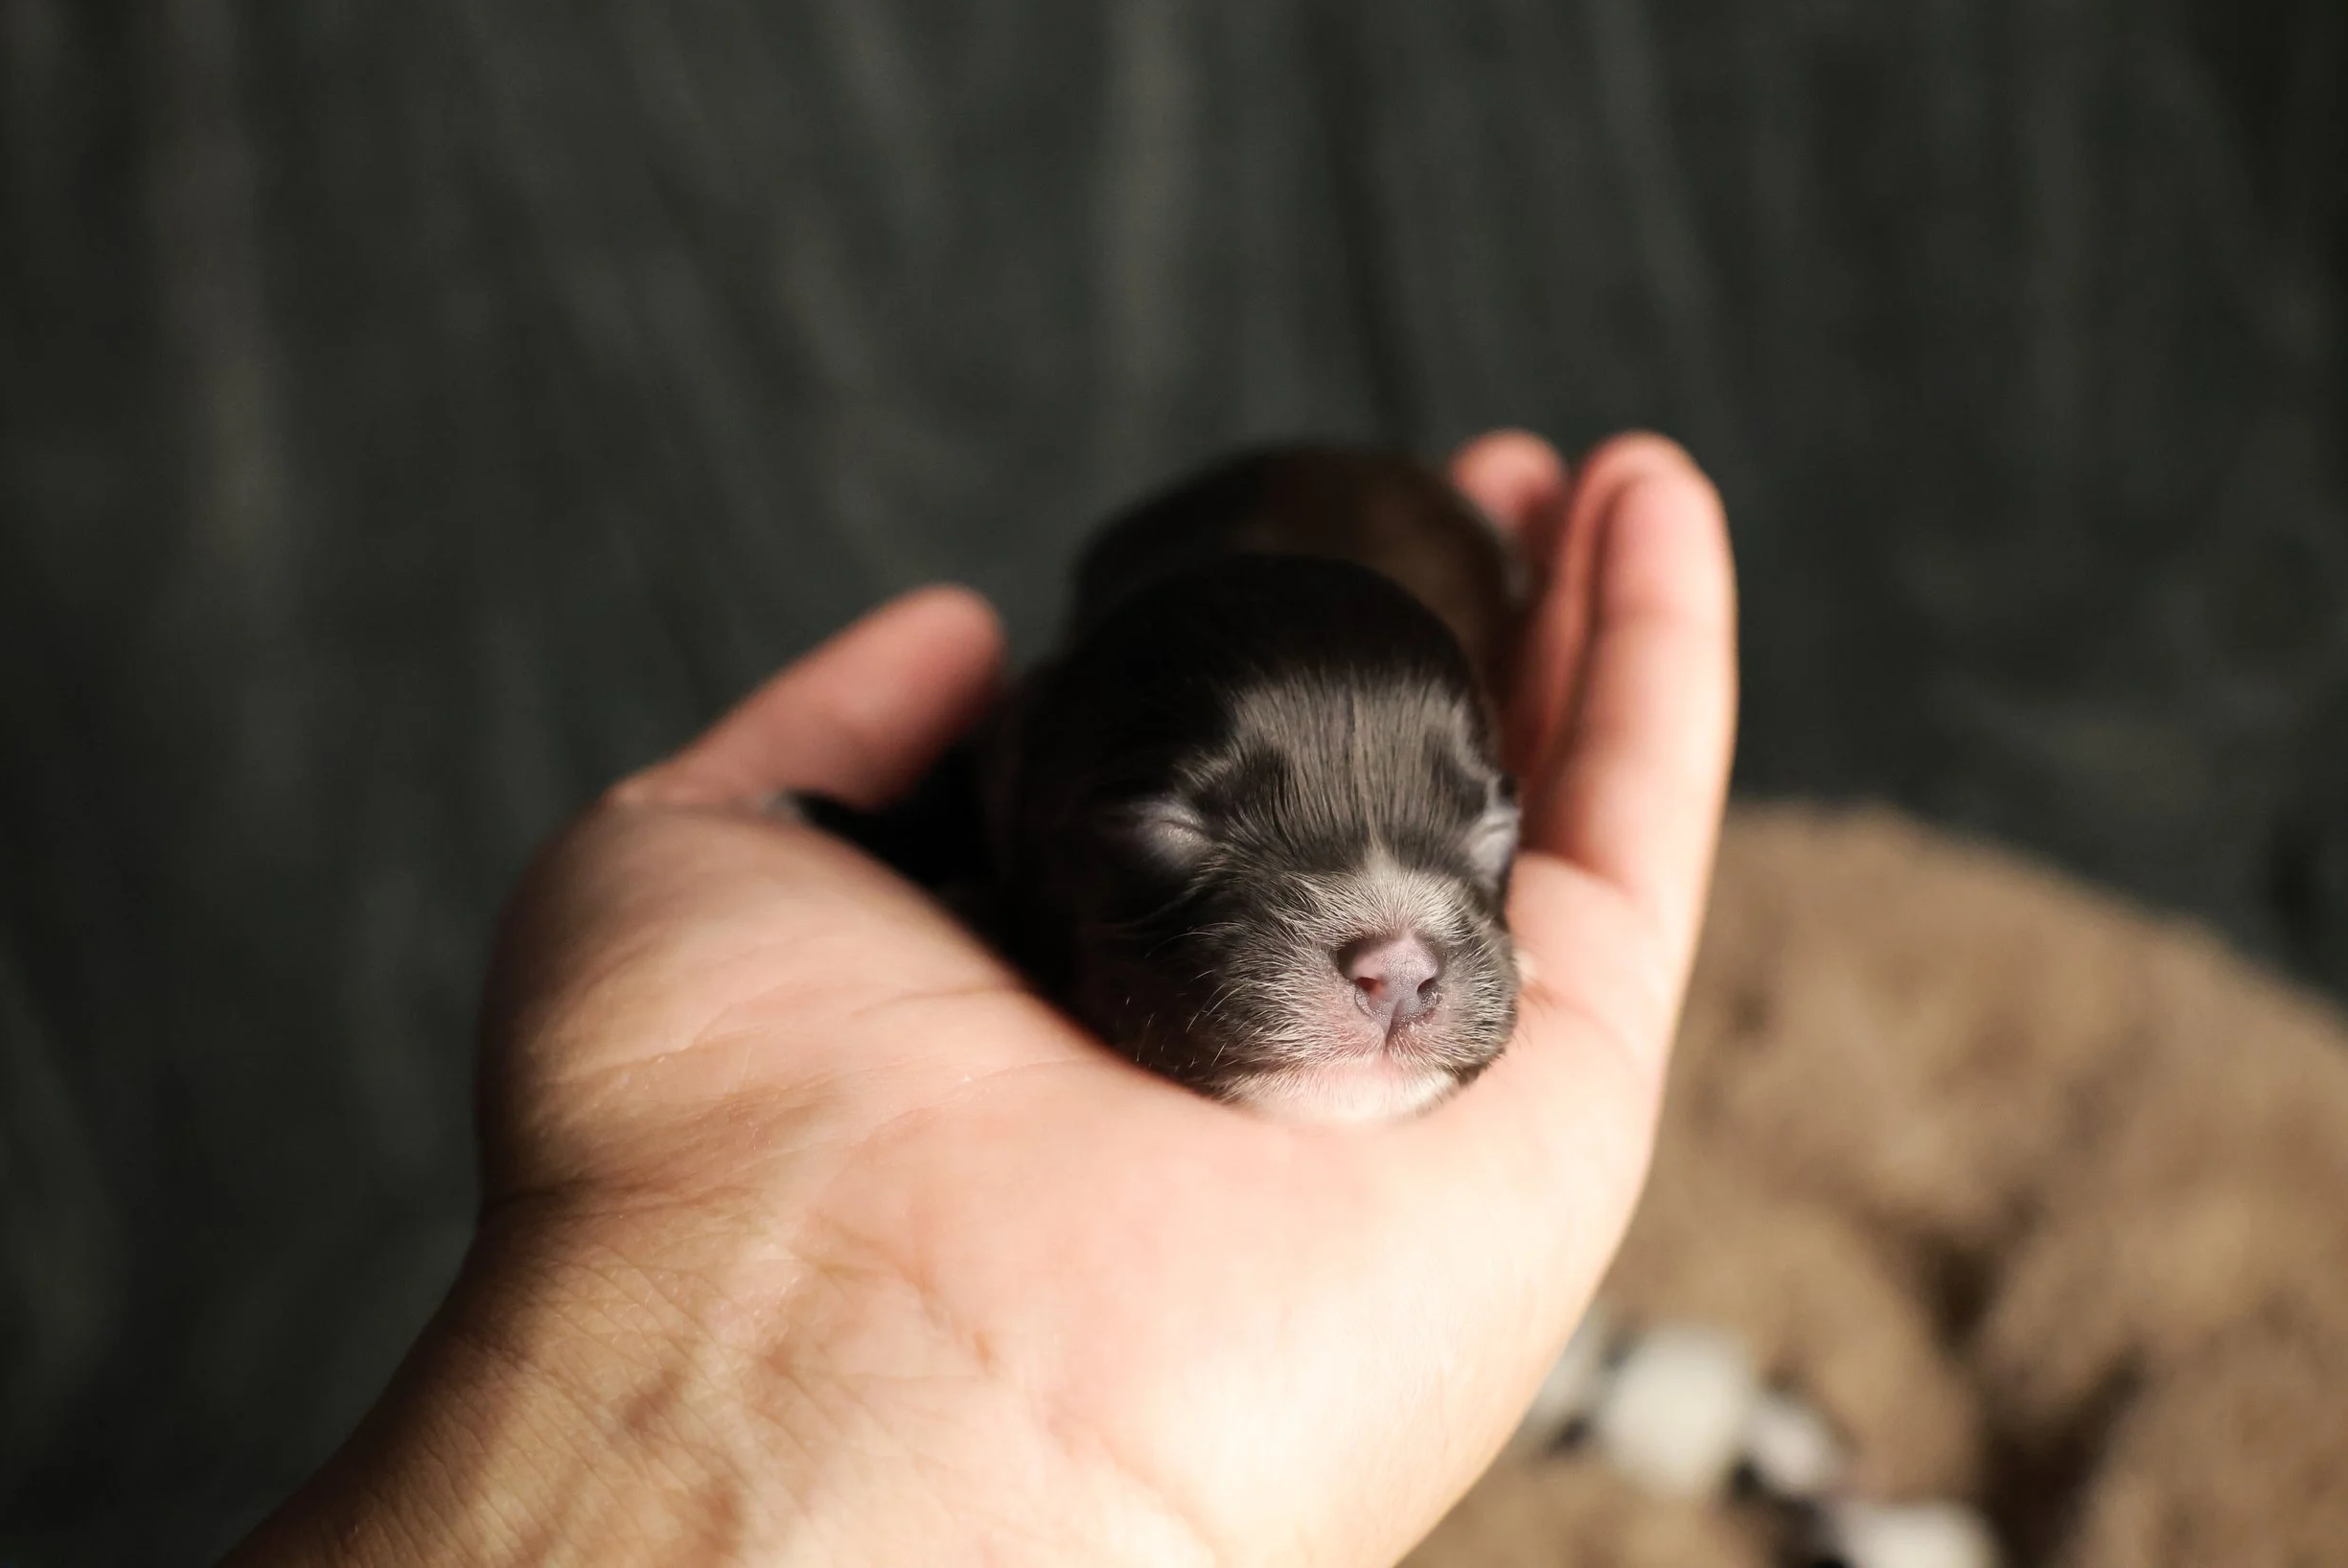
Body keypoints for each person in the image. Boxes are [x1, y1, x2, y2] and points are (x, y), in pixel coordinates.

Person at [222, 429, 1735, 1567]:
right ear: (1023, 793)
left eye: (1476, 838)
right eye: (1178, 829)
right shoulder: (998, 769)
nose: (1400, 962)